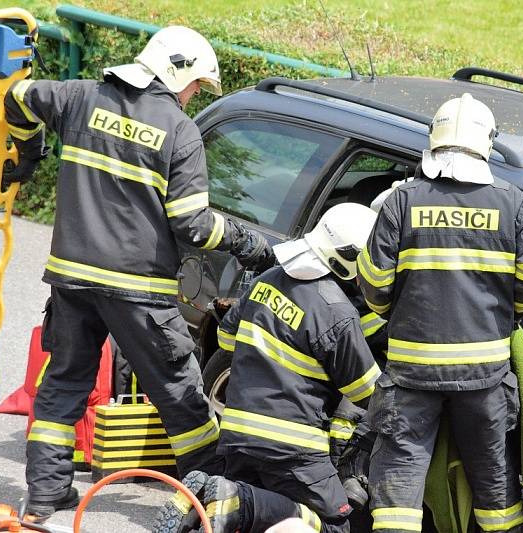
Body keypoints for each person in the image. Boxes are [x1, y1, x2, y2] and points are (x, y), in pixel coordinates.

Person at [2, 26, 273, 519]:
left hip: (71, 277)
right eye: (196, 86)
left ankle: (43, 496)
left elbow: (17, 96)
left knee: (64, 384)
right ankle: (208, 502)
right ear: (178, 72)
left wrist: (28, 152)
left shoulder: (80, 96)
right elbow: (192, 224)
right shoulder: (178, 129)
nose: (193, 97)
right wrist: (246, 243)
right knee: (181, 394)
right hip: (138, 289)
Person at [358, 93, 523, 533]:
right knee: (494, 484)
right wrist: (506, 320)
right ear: (486, 145)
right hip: (484, 374)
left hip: (412, 374)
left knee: (398, 487)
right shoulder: (512, 203)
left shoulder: (401, 202)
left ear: (434, 141)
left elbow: (374, 283)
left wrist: (396, 315)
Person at [154, 203, 381, 533]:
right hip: (293, 446)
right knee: (336, 524)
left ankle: (208, 503)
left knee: (240, 519)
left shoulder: (266, 281)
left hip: (237, 433)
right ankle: (241, 501)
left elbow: (227, 339)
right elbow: (365, 392)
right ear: (350, 259)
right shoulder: (336, 311)